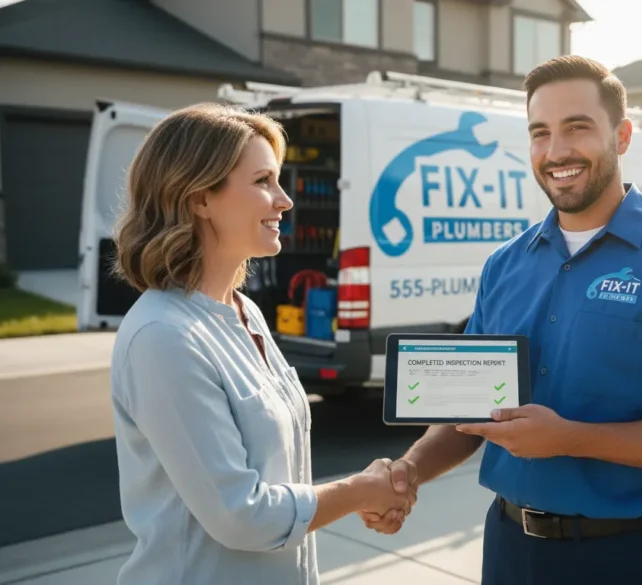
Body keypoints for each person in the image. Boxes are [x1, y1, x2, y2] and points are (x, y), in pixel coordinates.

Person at [357, 55, 642, 584]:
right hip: (507, 552)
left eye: (577, 128)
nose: (556, 151)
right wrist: (408, 472)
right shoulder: (505, 265)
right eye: (540, 133)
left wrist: (572, 437)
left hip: (618, 560)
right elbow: (468, 413)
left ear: (622, 136)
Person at [108, 103, 414, 585]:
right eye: (262, 181)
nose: (284, 200)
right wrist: (358, 492)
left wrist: (364, 492)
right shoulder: (163, 337)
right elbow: (242, 515)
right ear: (199, 197)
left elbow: (275, 481)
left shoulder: (244, 311)